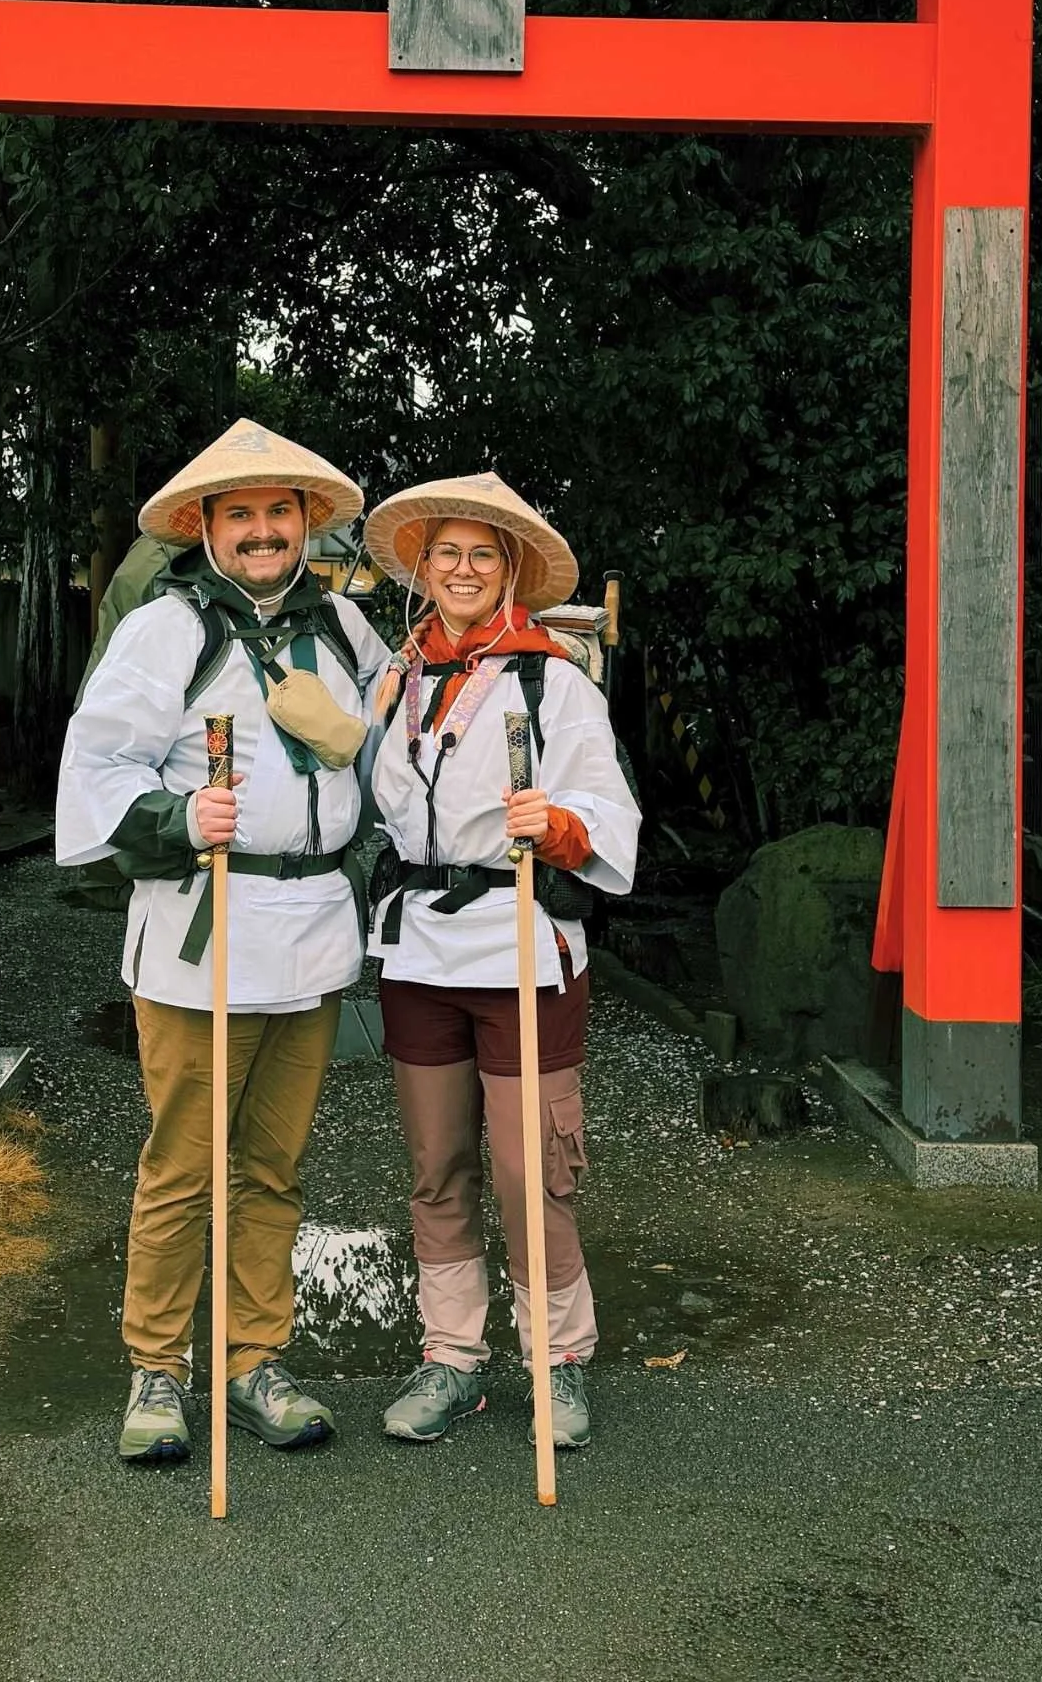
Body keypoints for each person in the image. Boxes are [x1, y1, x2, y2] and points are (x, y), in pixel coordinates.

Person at [57, 417, 392, 1466]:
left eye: (278, 512)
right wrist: (174, 817)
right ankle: (157, 1368)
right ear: (204, 527)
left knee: (272, 1168)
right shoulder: (165, 631)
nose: (261, 531)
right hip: (203, 935)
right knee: (184, 1167)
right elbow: (98, 766)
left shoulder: (346, 632)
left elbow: (399, 752)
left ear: (305, 523)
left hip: (313, 935)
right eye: (239, 514)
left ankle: (255, 1360)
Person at [362, 472, 639, 1449]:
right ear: (422, 566)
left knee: (532, 1172)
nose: (464, 569)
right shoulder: (395, 679)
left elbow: (609, 810)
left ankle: (556, 1359)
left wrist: (556, 826)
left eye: (484, 555)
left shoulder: (551, 680)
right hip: (418, 949)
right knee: (437, 1166)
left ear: (511, 571)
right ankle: (451, 1356)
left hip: (521, 944)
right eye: (447, 552)